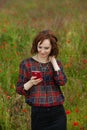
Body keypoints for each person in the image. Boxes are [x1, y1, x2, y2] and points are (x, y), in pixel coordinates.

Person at [16, 30, 67, 130]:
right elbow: (19, 89)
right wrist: (31, 82)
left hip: (57, 112)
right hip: (38, 114)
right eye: (40, 47)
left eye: (46, 48)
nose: (42, 51)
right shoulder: (26, 64)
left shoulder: (57, 64)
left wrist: (54, 63)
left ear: (52, 47)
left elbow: (62, 82)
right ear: (36, 46)